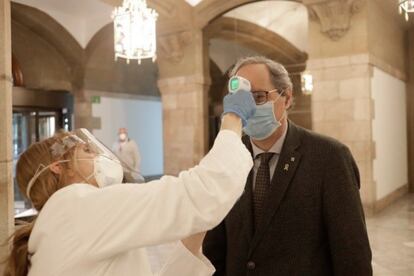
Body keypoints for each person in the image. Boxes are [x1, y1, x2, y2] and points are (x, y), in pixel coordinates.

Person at [2, 89, 257, 276]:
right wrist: (232, 121)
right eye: (88, 153)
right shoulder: (76, 206)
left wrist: (190, 238)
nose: (99, 158)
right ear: (58, 166)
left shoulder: (62, 219)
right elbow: (204, 193)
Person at [203, 56, 373, 275]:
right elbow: (214, 248)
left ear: (287, 97)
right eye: (240, 99)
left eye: (258, 96)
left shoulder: (330, 157)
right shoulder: (228, 157)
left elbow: (351, 252)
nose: (247, 107)